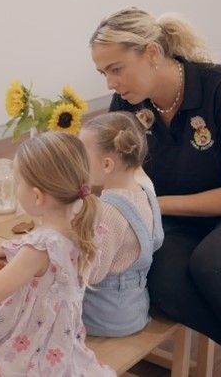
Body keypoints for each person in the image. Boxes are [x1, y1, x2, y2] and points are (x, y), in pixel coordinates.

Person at [89, 6, 221, 377]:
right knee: (162, 284)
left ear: (152, 53)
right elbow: (113, 169)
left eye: (116, 69)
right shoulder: (127, 103)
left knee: (216, 267)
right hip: (179, 220)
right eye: (103, 73)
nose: (109, 83)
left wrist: (154, 204)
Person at [0, 132, 114, 376]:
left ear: (37, 196)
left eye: (18, 183)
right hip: (61, 349)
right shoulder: (83, 227)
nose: (17, 189)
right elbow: (48, 268)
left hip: (28, 356)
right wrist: (9, 251)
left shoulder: (40, 247)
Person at [78, 110, 163, 337]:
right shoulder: (146, 193)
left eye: (82, 157)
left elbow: (92, 274)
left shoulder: (108, 211)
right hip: (133, 310)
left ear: (107, 164)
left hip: (102, 318)